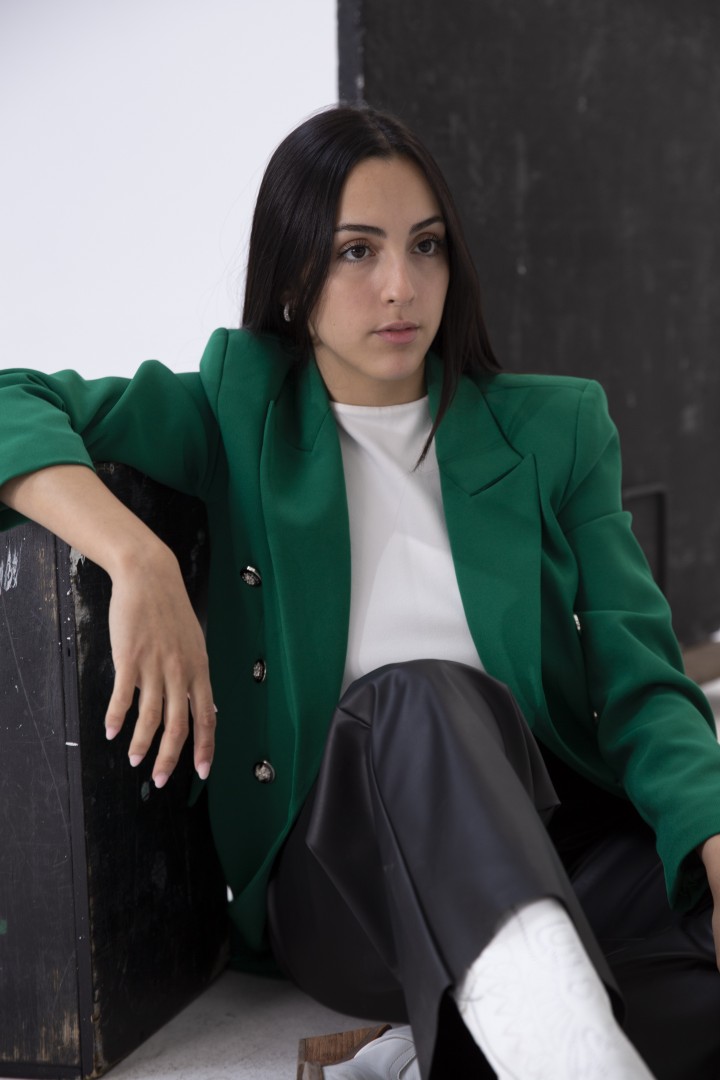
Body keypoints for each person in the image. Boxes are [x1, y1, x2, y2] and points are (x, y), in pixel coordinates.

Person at [1, 104, 720, 1080]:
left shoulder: (556, 430)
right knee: (420, 695)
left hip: (564, 848)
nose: (401, 286)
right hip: (350, 884)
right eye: (356, 251)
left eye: (426, 245)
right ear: (291, 277)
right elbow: (11, 399)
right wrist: (138, 558)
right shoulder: (236, 409)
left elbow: (642, 683)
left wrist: (713, 841)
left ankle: (446, 1051)